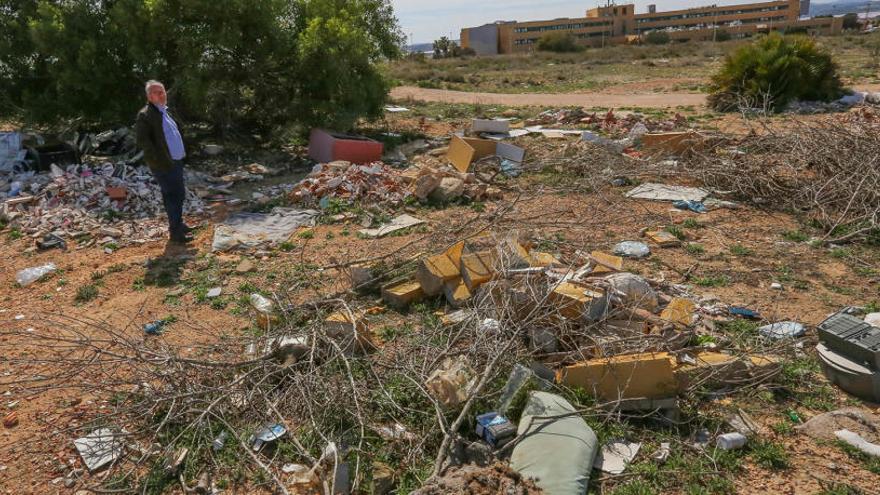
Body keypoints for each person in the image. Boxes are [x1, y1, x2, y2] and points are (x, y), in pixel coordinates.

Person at [135, 80, 192, 243]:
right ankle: (176, 233)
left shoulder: (164, 111)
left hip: (176, 161)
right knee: (172, 196)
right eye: (156, 92)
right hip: (165, 164)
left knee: (178, 195)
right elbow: (143, 142)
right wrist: (160, 161)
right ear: (149, 96)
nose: (161, 94)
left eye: (163, 91)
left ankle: (178, 224)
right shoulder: (145, 115)